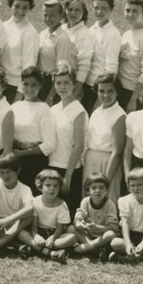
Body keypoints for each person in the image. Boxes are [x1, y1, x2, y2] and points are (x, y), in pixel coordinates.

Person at [0, 154, 39, 263]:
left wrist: (7, 220)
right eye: (2, 172)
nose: (5, 176)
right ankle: (17, 245)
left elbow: (30, 209)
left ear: (17, 171)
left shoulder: (25, 188)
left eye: (8, 172)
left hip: (15, 224)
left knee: (27, 219)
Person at [1, 66, 56, 190]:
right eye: (26, 84)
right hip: (15, 159)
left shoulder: (44, 109)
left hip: (34, 161)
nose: (29, 89)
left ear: (40, 86)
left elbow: (50, 145)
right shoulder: (15, 106)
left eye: (34, 85)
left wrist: (22, 153)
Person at [47, 62, 88, 213]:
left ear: (74, 85)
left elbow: (79, 146)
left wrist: (68, 175)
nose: (62, 87)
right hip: (52, 166)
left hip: (70, 170)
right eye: (58, 83)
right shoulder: (53, 109)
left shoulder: (79, 111)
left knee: (67, 213)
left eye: (66, 83)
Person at [15, 168, 75, 263]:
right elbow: (34, 226)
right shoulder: (35, 202)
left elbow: (60, 228)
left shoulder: (62, 205)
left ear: (59, 188)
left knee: (72, 237)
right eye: (48, 185)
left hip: (55, 234)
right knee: (21, 233)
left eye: (55, 186)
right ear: (40, 187)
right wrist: (36, 236)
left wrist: (53, 238)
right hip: (39, 231)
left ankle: (36, 248)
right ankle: (50, 252)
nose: (52, 188)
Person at [82, 75, 126, 201]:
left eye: (110, 91)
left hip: (107, 164)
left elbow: (117, 152)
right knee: (88, 201)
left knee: (105, 200)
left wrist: (105, 180)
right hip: (91, 160)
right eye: (101, 91)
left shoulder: (120, 115)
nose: (105, 95)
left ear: (117, 92)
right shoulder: (97, 111)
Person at [117, 0, 143, 112]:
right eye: (128, 10)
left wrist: (134, 99)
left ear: (142, 13)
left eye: (135, 11)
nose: (130, 14)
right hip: (119, 89)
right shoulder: (126, 34)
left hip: (133, 92)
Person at [0, 0, 39, 104]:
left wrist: (18, 97)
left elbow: (29, 68)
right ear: (10, 5)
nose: (20, 11)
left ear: (29, 8)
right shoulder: (3, 26)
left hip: (14, 87)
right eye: (16, 6)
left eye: (25, 8)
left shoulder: (30, 33)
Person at [86, 0, 122, 114]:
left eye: (104, 8)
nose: (99, 12)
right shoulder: (91, 30)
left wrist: (99, 99)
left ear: (111, 9)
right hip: (87, 84)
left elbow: (111, 69)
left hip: (100, 90)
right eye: (96, 8)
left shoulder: (113, 34)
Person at [69, 172, 121, 259]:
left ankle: (89, 247)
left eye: (101, 187)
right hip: (88, 235)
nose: (98, 190)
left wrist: (98, 228)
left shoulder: (110, 204)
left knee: (111, 234)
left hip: (102, 235)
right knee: (70, 228)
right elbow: (79, 215)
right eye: (94, 188)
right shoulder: (85, 201)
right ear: (88, 190)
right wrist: (79, 223)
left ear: (106, 190)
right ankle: (95, 249)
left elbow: (113, 227)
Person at [36, 0, 77, 103]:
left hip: (52, 85)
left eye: (52, 15)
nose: (48, 18)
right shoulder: (43, 33)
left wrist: (50, 97)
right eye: (45, 15)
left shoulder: (62, 39)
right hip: (40, 81)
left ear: (61, 16)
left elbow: (62, 72)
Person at [62, 0, 93, 105]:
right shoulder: (61, 28)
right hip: (57, 83)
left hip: (72, 87)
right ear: (65, 10)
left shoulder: (84, 34)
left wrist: (74, 94)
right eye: (70, 9)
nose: (73, 13)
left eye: (77, 10)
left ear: (83, 12)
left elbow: (84, 66)